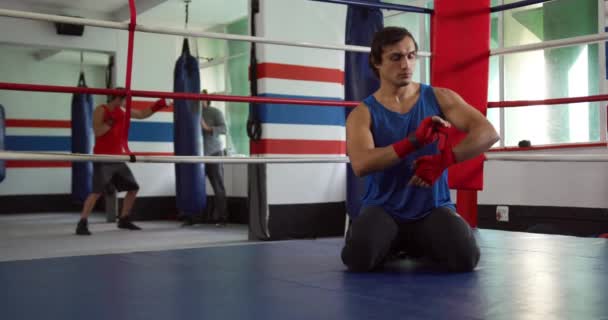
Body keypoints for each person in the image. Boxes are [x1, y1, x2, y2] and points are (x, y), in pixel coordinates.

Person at [342, 27, 500, 272]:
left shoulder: (439, 98)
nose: (406, 64)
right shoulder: (362, 114)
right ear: (376, 62)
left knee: (465, 258)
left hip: (432, 209)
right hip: (384, 209)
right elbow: (362, 164)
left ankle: (417, 244)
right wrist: (412, 142)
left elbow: (488, 133)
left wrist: (443, 160)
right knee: (359, 258)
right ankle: (391, 242)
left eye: (411, 55)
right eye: (396, 57)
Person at [76, 90, 169, 235]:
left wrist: (159, 104)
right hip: (103, 158)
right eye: (124, 99)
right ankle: (82, 222)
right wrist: (111, 122)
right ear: (118, 98)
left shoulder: (122, 111)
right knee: (96, 192)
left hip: (118, 158)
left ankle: (124, 219)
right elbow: (97, 131)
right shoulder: (101, 110)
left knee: (133, 188)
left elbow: (142, 114)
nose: (126, 103)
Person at [201, 89, 228, 227]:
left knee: (217, 185)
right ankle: (194, 217)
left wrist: (208, 128)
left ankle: (222, 217)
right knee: (197, 186)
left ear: (206, 98)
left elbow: (224, 129)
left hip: (214, 153)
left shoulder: (215, 112)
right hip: (198, 155)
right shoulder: (192, 113)